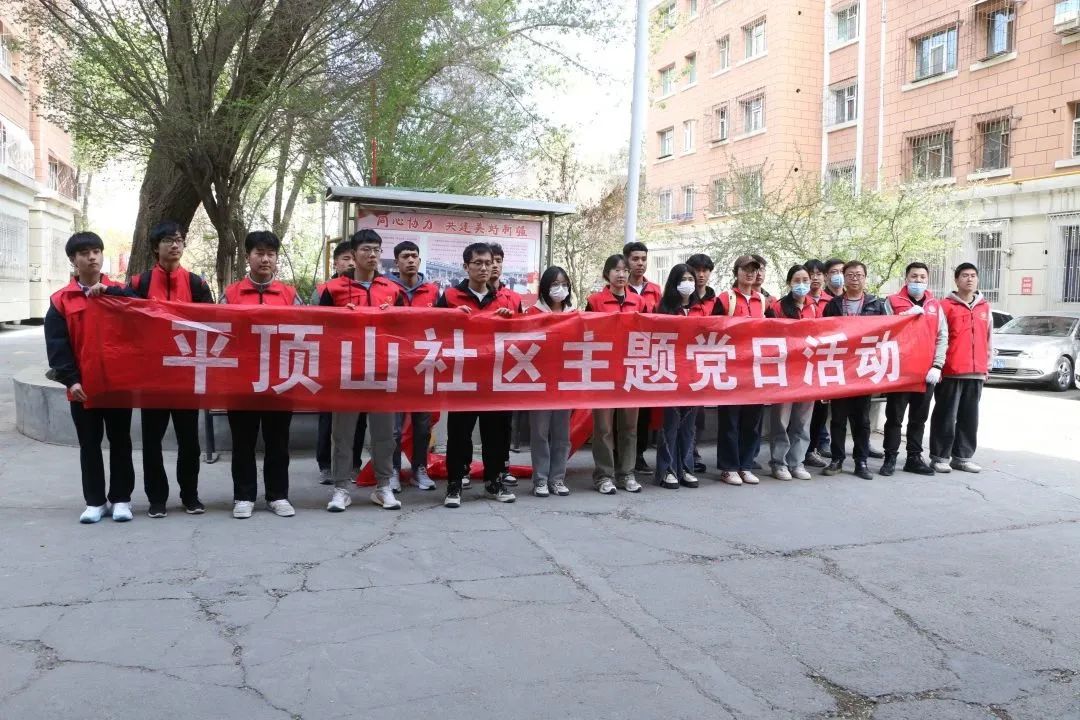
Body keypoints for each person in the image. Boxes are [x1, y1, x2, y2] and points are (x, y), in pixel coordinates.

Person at [45, 231, 138, 523]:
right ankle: (95, 502)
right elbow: (57, 345)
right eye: (85, 253)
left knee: (121, 441)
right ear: (73, 260)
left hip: (117, 384)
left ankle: (121, 499)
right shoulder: (61, 300)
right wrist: (71, 380)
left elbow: (143, 312)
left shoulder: (119, 290)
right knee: (89, 444)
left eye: (96, 251)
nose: (92, 257)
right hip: (83, 387)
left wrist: (111, 293)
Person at [128, 221, 214, 518]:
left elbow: (213, 323)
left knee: (189, 442)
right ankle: (157, 499)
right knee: (152, 442)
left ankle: (190, 496)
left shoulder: (197, 284)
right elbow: (125, 320)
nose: (174, 245)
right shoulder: (139, 283)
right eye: (167, 240)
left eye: (178, 240)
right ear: (156, 247)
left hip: (186, 374)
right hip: (152, 375)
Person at [221, 231, 302, 519]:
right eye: (259, 253)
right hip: (241, 380)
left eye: (271, 253)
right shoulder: (231, 294)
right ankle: (243, 496)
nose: (265, 259)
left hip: (280, 380)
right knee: (242, 441)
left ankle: (277, 495)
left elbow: (304, 331)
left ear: (276, 258)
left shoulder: (289, 295)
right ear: (248, 257)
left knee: (278, 441)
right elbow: (220, 333)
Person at [320, 229, 402, 510]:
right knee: (343, 434)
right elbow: (321, 329)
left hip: (383, 371)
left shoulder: (392, 290)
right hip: (346, 371)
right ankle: (341, 488)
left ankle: (383, 486)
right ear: (353, 255)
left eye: (377, 250)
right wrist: (341, 320)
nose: (372, 255)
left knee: (384, 434)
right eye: (366, 249)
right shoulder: (333, 290)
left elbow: (405, 329)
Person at [436, 242, 519, 507]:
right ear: (466, 266)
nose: (484, 268)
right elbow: (433, 330)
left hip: (494, 378)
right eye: (478, 263)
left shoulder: (503, 300)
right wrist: (450, 317)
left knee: (495, 434)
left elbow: (519, 337)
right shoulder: (450, 297)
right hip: (462, 377)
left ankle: (494, 481)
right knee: (459, 433)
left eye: (488, 263)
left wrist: (509, 321)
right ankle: (455, 483)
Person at [822, 260, 890, 480]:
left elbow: (887, 333)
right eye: (850, 275)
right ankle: (837, 459)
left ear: (865, 278)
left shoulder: (876, 304)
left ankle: (861, 461)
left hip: (864, 368)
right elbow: (823, 334)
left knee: (862, 419)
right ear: (844, 277)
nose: (854, 279)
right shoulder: (833, 305)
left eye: (859, 275)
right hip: (840, 368)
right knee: (838, 418)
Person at [881, 262, 947, 476]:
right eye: (914, 276)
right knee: (894, 417)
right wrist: (903, 318)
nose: (918, 280)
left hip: (926, 373)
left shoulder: (935, 305)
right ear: (906, 279)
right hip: (900, 371)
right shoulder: (892, 301)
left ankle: (914, 457)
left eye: (922, 277)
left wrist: (937, 365)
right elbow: (883, 329)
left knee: (919, 418)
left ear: (927, 280)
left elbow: (942, 336)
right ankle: (890, 457)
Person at [585, 254, 645, 494]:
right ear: (606, 274)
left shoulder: (639, 302)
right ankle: (603, 475)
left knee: (630, 427)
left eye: (625, 270)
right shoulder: (595, 301)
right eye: (616, 270)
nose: (621, 274)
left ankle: (626, 473)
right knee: (603, 428)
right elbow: (585, 333)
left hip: (631, 370)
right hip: (603, 370)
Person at [929, 263, 992, 474]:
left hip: (976, 371)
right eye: (965, 275)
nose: (969, 279)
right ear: (956, 280)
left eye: (973, 275)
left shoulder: (985, 307)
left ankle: (962, 458)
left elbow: (989, 338)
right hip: (951, 370)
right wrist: (937, 366)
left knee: (969, 418)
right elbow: (937, 337)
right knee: (945, 416)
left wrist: (987, 366)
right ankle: (939, 457)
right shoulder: (944, 306)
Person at [387, 240, 439, 491]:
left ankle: (420, 469)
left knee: (422, 424)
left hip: (424, 364)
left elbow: (444, 325)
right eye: (405, 256)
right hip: (395, 365)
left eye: (414, 256)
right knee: (394, 427)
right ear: (396, 262)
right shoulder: (387, 289)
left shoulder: (433, 291)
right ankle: (393, 471)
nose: (410, 260)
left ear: (419, 260)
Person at [711, 255, 767, 486]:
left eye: (754, 269)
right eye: (745, 269)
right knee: (730, 420)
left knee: (752, 421)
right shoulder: (725, 299)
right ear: (736, 272)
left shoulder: (762, 301)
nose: (750, 273)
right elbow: (713, 329)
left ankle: (746, 465)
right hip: (731, 368)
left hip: (755, 368)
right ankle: (729, 467)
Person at [765, 265, 820, 481]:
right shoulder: (777, 307)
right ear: (789, 283)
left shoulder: (815, 307)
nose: (802, 284)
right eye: (797, 280)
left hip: (808, 371)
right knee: (781, 420)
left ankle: (797, 462)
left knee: (803, 420)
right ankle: (778, 463)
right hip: (784, 371)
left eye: (805, 280)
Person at [524, 266, 575, 497]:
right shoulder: (532, 312)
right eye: (555, 284)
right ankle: (541, 479)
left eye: (564, 284)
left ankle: (557, 478)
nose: (560, 289)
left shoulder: (574, 314)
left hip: (565, 381)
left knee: (562, 433)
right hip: (539, 382)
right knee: (540, 432)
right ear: (545, 287)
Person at [314, 241, 362, 484]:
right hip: (331, 362)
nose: (351, 263)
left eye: (353, 258)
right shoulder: (324, 290)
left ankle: (354, 464)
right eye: (345, 258)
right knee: (328, 417)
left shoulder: (369, 288)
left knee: (359, 417)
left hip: (360, 362)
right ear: (335, 263)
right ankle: (325, 464)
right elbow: (312, 323)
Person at [652, 264, 703, 489]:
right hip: (670, 372)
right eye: (683, 279)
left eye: (691, 279)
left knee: (689, 425)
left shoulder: (700, 309)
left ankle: (686, 468)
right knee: (670, 423)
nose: (688, 283)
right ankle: (667, 470)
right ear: (674, 282)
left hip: (694, 374)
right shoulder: (663, 309)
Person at [623, 241, 662, 472]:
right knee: (622, 409)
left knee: (644, 410)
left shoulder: (655, 290)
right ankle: (620, 455)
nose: (640, 263)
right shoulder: (619, 287)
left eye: (643, 259)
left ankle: (638, 454)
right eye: (635, 259)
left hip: (648, 356)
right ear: (626, 261)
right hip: (623, 356)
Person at [488, 243, 524, 487]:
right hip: (476, 369)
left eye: (498, 261)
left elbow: (521, 330)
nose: (493, 266)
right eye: (489, 261)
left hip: (505, 368)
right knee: (468, 423)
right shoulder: (469, 296)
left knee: (503, 422)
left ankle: (503, 466)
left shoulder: (513, 298)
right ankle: (465, 468)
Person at [685, 253, 716, 473]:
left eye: (705, 270)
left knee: (699, 415)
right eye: (697, 270)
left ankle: (693, 452)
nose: (701, 275)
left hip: (708, 363)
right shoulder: (683, 299)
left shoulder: (717, 301)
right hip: (683, 362)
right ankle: (685, 454)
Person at [802, 259, 833, 468]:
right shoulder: (794, 301)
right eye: (810, 274)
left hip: (824, 362)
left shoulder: (832, 302)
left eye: (819, 273)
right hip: (801, 362)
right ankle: (796, 452)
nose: (815, 278)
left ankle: (812, 449)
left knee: (820, 411)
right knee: (800, 412)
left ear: (824, 277)